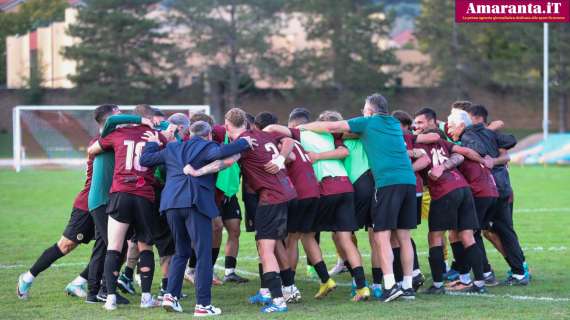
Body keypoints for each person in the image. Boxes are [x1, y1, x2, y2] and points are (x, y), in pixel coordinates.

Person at [298, 94, 418, 302]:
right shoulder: (393, 123)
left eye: (364, 109)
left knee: (380, 235)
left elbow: (331, 128)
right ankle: (407, 286)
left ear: (370, 111)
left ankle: (388, 285)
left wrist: (302, 128)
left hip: (387, 182)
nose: (362, 112)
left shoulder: (368, 122)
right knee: (403, 236)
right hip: (408, 180)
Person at [140, 119, 253, 316]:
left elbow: (145, 160)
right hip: (195, 202)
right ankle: (203, 305)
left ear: (189, 134)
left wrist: (151, 142)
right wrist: (245, 143)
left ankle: (171, 296)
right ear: (208, 135)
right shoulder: (207, 146)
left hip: (171, 204)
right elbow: (221, 153)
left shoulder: (173, 148)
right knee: (202, 254)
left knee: (181, 251)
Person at [16, 105, 123, 301]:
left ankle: (80, 283)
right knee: (66, 245)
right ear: (108, 121)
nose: (123, 117)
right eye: (119, 114)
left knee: (110, 245)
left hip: (108, 202)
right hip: (87, 204)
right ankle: (27, 277)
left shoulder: (116, 139)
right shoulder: (100, 141)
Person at [265, 108, 370, 302]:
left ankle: (319, 280)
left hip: (325, 187)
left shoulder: (303, 133)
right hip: (345, 187)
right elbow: (343, 152)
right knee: (345, 238)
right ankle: (362, 287)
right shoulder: (336, 137)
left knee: (304, 235)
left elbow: (272, 127)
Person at [87, 104, 166, 310]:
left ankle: (110, 298)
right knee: (145, 246)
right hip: (144, 196)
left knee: (114, 246)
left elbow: (94, 149)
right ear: (150, 118)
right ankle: (146, 297)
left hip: (120, 194)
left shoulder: (118, 133)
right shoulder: (155, 135)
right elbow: (170, 140)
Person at [224, 107, 297, 313]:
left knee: (265, 250)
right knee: (276, 245)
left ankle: (277, 300)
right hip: (286, 192)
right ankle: (288, 289)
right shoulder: (264, 134)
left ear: (228, 126)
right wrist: (281, 158)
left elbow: (226, 159)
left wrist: (200, 169)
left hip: (270, 197)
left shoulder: (244, 142)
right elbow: (290, 140)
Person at [413, 107, 493, 294]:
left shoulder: (421, 146)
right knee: (466, 235)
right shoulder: (445, 144)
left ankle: (438, 285)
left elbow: (424, 162)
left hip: (444, 192)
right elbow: (463, 152)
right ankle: (479, 283)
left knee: (435, 236)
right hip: (463, 189)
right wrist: (483, 160)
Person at [466, 105, 529, 285]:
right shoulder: (488, 133)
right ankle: (517, 270)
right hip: (495, 188)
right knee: (491, 231)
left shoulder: (477, 136)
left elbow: (506, 155)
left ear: (475, 119)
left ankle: (489, 273)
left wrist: (492, 160)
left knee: (479, 230)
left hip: (496, 189)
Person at [447, 109, 501, 287]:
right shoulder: (468, 138)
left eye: (452, 126)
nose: (449, 130)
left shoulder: (468, 137)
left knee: (466, 234)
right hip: (489, 191)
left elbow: (480, 149)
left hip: (480, 192)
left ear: (462, 125)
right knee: (468, 234)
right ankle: (474, 275)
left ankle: (480, 276)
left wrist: (469, 153)